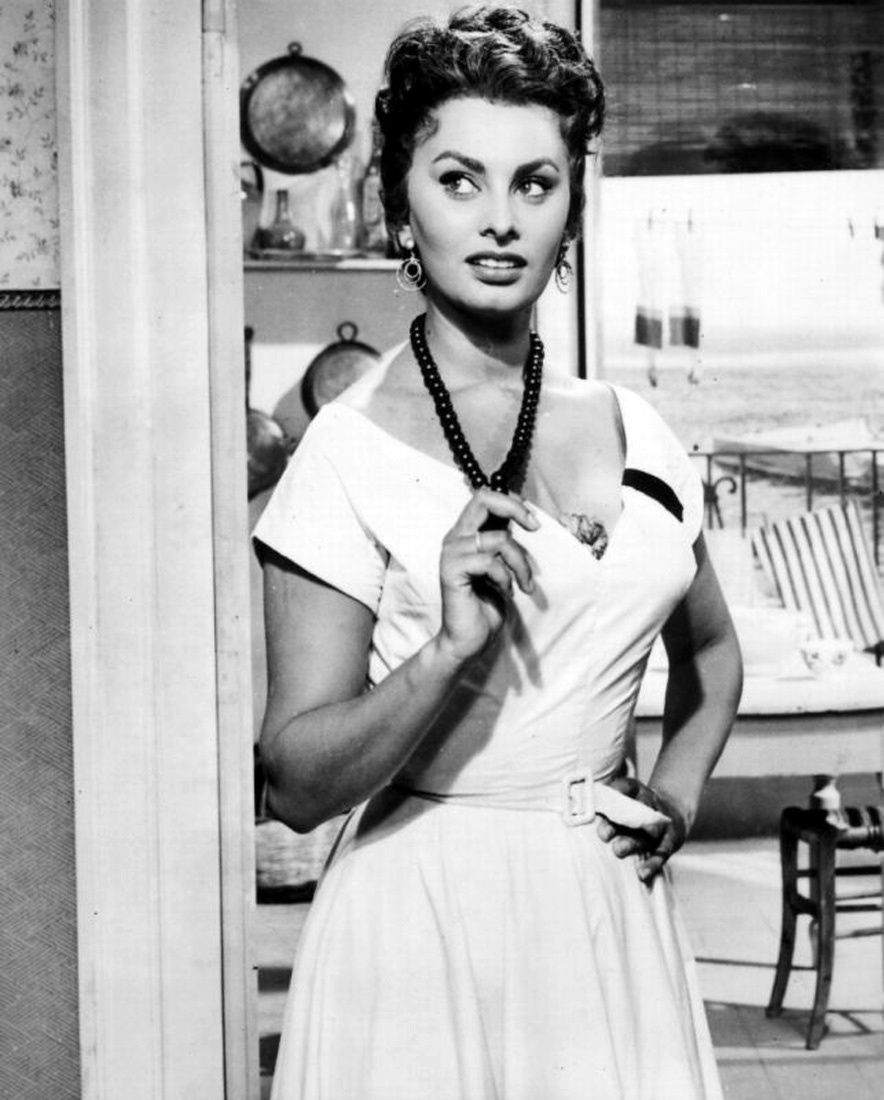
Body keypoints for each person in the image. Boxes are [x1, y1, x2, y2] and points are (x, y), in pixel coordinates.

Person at [254, 7, 743, 1098]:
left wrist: (674, 794)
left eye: (535, 183)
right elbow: (293, 782)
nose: (499, 220)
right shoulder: (346, 450)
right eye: (458, 180)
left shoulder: (637, 426)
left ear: (572, 208)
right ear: (400, 204)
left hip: (610, 912)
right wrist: (444, 652)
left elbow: (711, 657)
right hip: (424, 920)